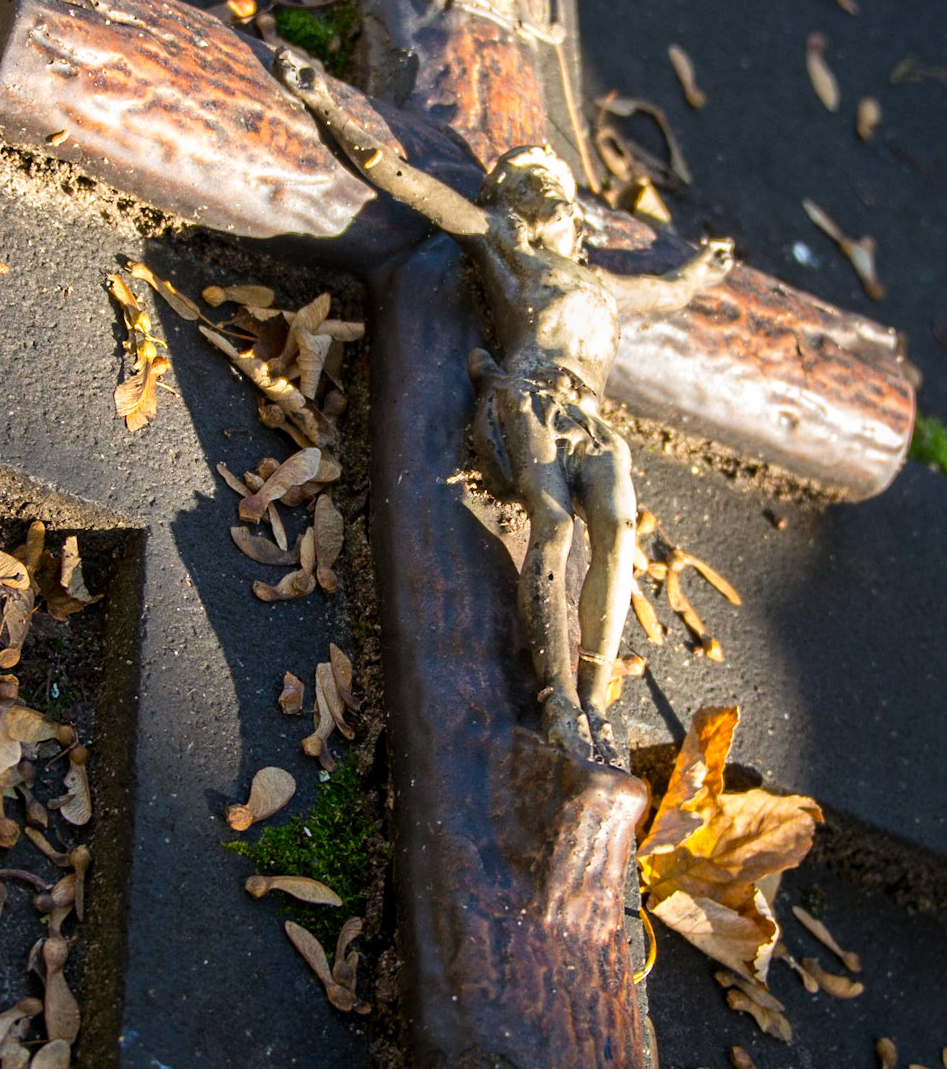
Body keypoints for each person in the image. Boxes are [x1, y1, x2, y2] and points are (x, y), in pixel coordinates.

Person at [273, 44, 734, 767]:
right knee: (552, 527)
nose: (543, 182)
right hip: (530, 401)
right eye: (523, 179)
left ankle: (596, 698)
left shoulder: (599, 284)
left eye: (550, 177)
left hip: (593, 421)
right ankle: (556, 698)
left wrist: (700, 273)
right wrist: (325, 102)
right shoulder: (501, 247)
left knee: (616, 535)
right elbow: (403, 180)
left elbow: (668, 293)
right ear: (507, 204)